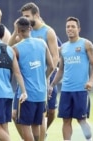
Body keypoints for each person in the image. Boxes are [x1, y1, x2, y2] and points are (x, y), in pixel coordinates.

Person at [8, 3, 60, 140]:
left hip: (36, 86)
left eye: (26, 16)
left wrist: (48, 79)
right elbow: (51, 64)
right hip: (38, 86)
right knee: (32, 120)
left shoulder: (47, 32)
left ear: (36, 15)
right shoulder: (36, 41)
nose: (24, 18)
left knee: (45, 116)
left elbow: (55, 58)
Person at [50, 16, 93, 141]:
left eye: (73, 26)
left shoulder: (86, 44)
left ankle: (89, 139)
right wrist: (52, 84)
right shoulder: (64, 48)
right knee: (66, 120)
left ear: (79, 29)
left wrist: (91, 81)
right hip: (66, 90)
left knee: (81, 119)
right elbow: (60, 70)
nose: (70, 29)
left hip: (81, 89)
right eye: (68, 26)